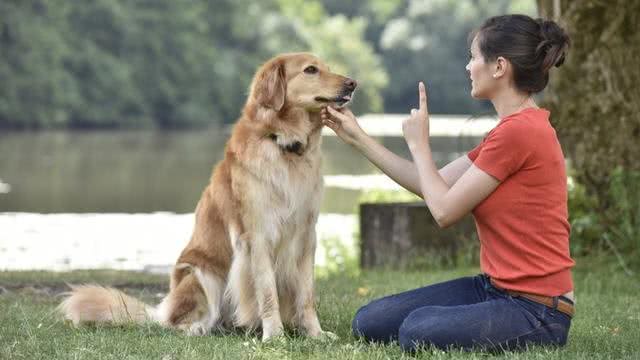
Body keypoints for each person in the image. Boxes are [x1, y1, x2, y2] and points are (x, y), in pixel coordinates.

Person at [321, 14, 574, 352]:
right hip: (495, 289)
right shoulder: (508, 131)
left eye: (473, 57)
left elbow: (442, 211)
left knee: (416, 331)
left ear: (499, 67)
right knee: (369, 321)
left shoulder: (520, 132)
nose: (468, 67)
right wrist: (358, 138)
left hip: (538, 310)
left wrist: (420, 145)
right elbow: (433, 184)